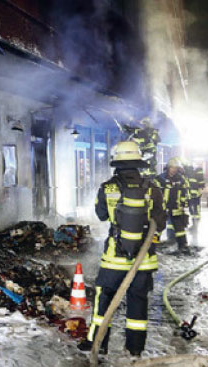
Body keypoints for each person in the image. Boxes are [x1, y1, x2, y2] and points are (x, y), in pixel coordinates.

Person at [78, 141, 166, 356]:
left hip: (114, 259)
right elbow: (160, 222)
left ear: (116, 163)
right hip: (143, 260)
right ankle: (134, 349)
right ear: (138, 162)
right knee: (138, 302)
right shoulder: (153, 188)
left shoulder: (107, 188)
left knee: (104, 299)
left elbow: (101, 215)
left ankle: (98, 343)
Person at [157, 157, 190, 251]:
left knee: (180, 229)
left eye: (176, 168)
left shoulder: (181, 179)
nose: (174, 170)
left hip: (176, 208)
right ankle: (153, 245)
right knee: (157, 228)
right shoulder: (160, 179)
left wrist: (183, 206)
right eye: (172, 167)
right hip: (163, 208)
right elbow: (155, 194)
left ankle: (183, 246)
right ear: (168, 167)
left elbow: (185, 193)